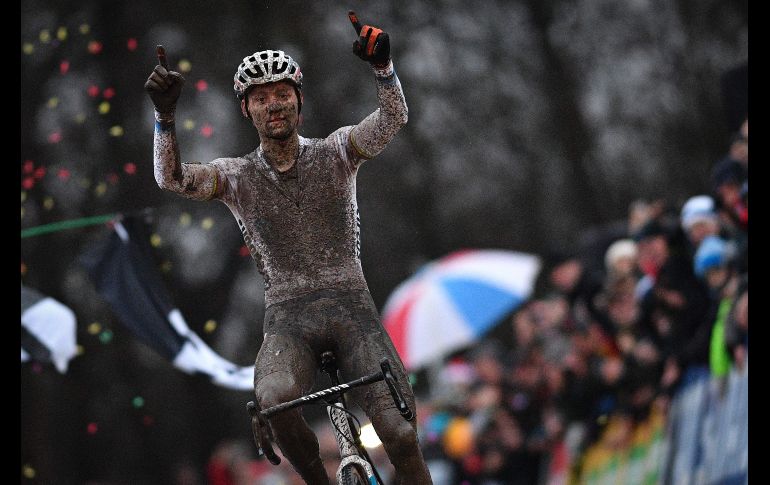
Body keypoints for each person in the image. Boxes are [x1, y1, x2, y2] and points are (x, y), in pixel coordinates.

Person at [144, 11, 433, 485]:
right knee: (274, 400)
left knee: (400, 436)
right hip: (287, 320)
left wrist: (384, 70)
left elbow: (393, 118)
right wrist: (164, 117)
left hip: (351, 310)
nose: (273, 104)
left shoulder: (338, 152)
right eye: (261, 98)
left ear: (299, 102)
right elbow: (170, 178)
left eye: (282, 94)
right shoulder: (236, 177)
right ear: (247, 109)